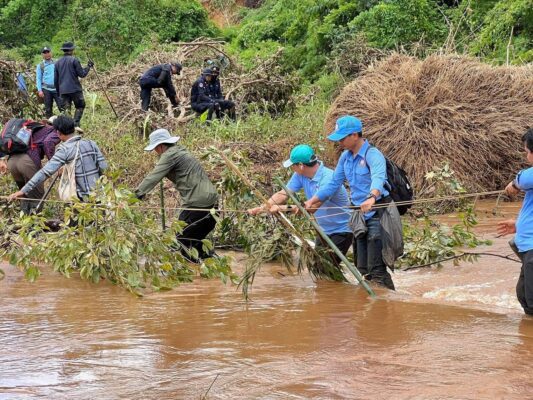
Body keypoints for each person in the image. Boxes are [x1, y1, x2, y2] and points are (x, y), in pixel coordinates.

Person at [304, 116, 396, 290]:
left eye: (342, 138)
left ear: (355, 135)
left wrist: (371, 197)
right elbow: (333, 183)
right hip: (358, 215)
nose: (340, 142)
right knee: (362, 268)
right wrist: (313, 200)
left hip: (377, 212)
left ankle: (389, 303)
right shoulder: (345, 158)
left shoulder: (373, 154)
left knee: (376, 268)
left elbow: (379, 177)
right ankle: (372, 307)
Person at [248, 144, 353, 270]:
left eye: (293, 165)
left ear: (301, 166)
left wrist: (281, 209)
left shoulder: (329, 178)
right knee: (319, 270)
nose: (292, 168)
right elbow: (283, 194)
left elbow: (312, 208)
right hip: (322, 230)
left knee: (326, 269)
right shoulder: (300, 175)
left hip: (341, 230)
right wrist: (262, 208)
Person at [135, 129, 219, 260]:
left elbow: (153, 177)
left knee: (181, 240)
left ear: (161, 146)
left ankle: (195, 272)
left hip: (197, 204)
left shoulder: (170, 155)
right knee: (195, 241)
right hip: (213, 203)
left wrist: (136, 195)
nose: (155, 152)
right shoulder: (181, 151)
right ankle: (210, 270)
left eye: (155, 149)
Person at [8, 115, 107, 203]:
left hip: (81, 200)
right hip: (98, 196)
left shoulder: (64, 149)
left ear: (58, 133)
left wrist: (23, 191)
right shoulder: (91, 143)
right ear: (73, 129)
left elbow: (44, 173)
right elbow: (104, 167)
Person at [497, 128, 533, 315]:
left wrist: (514, 184)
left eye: (527, 152)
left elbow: (523, 179)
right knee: (525, 296)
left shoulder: (529, 177)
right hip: (528, 247)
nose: (527, 158)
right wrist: (518, 225)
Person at [0, 117, 61, 214]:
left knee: (23, 193)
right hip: (27, 162)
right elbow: (48, 142)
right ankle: (34, 223)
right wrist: (56, 163)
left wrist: (2, 159)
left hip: (12, 162)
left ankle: (23, 219)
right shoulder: (54, 131)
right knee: (37, 196)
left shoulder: (35, 128)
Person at [54, 42, 93, 127]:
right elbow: (82, 74)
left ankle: (69, 128)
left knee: (66, 110)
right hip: (75, 89)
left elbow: (55, 80)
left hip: (63, 91)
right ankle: (76, 124)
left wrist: (58, 93)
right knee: (80, 106)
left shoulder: (57, 63)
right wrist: (88, 66)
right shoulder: (74, 60)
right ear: (71, 50)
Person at [36, 47, 63, 118]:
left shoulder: (57, 63)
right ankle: (49, 126)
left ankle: (65, 125)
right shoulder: (40, 66)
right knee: (48, 109)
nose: (47, 54)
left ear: (51, 53)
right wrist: (39, 90)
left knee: (62, 107)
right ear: (42, 54)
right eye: (44, 53)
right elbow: (38, 79)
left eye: (48, 52)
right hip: (46, 90)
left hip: (57, 89)